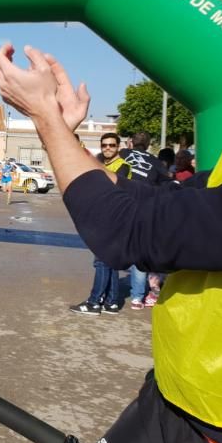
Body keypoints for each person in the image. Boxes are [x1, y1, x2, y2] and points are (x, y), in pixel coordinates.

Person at [0, 41, 222, 443]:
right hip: (172, 410)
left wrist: (44, 116)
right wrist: (63, 134)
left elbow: (122, 229)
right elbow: (145, 200)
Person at [69, 134, 131, 315]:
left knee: (101, 261)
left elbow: (110, 188)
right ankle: (111, 301)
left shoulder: (123, 166)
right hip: (103, 215)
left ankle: (94, 302)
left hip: (113, 217)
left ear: (118, 146)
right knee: (109, 260)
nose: (108, 148)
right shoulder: (101, 162)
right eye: (104, 145)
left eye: (112, 145)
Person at [120, 131, 172, 310]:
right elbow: (167, 184)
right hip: (143, 212)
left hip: (120, 208)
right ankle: (137, 298)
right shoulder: (155, 162)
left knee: (108, 252)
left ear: (131, 142)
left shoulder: (122, 155)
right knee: (139, 254)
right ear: (149, 145)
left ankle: (109, 296)